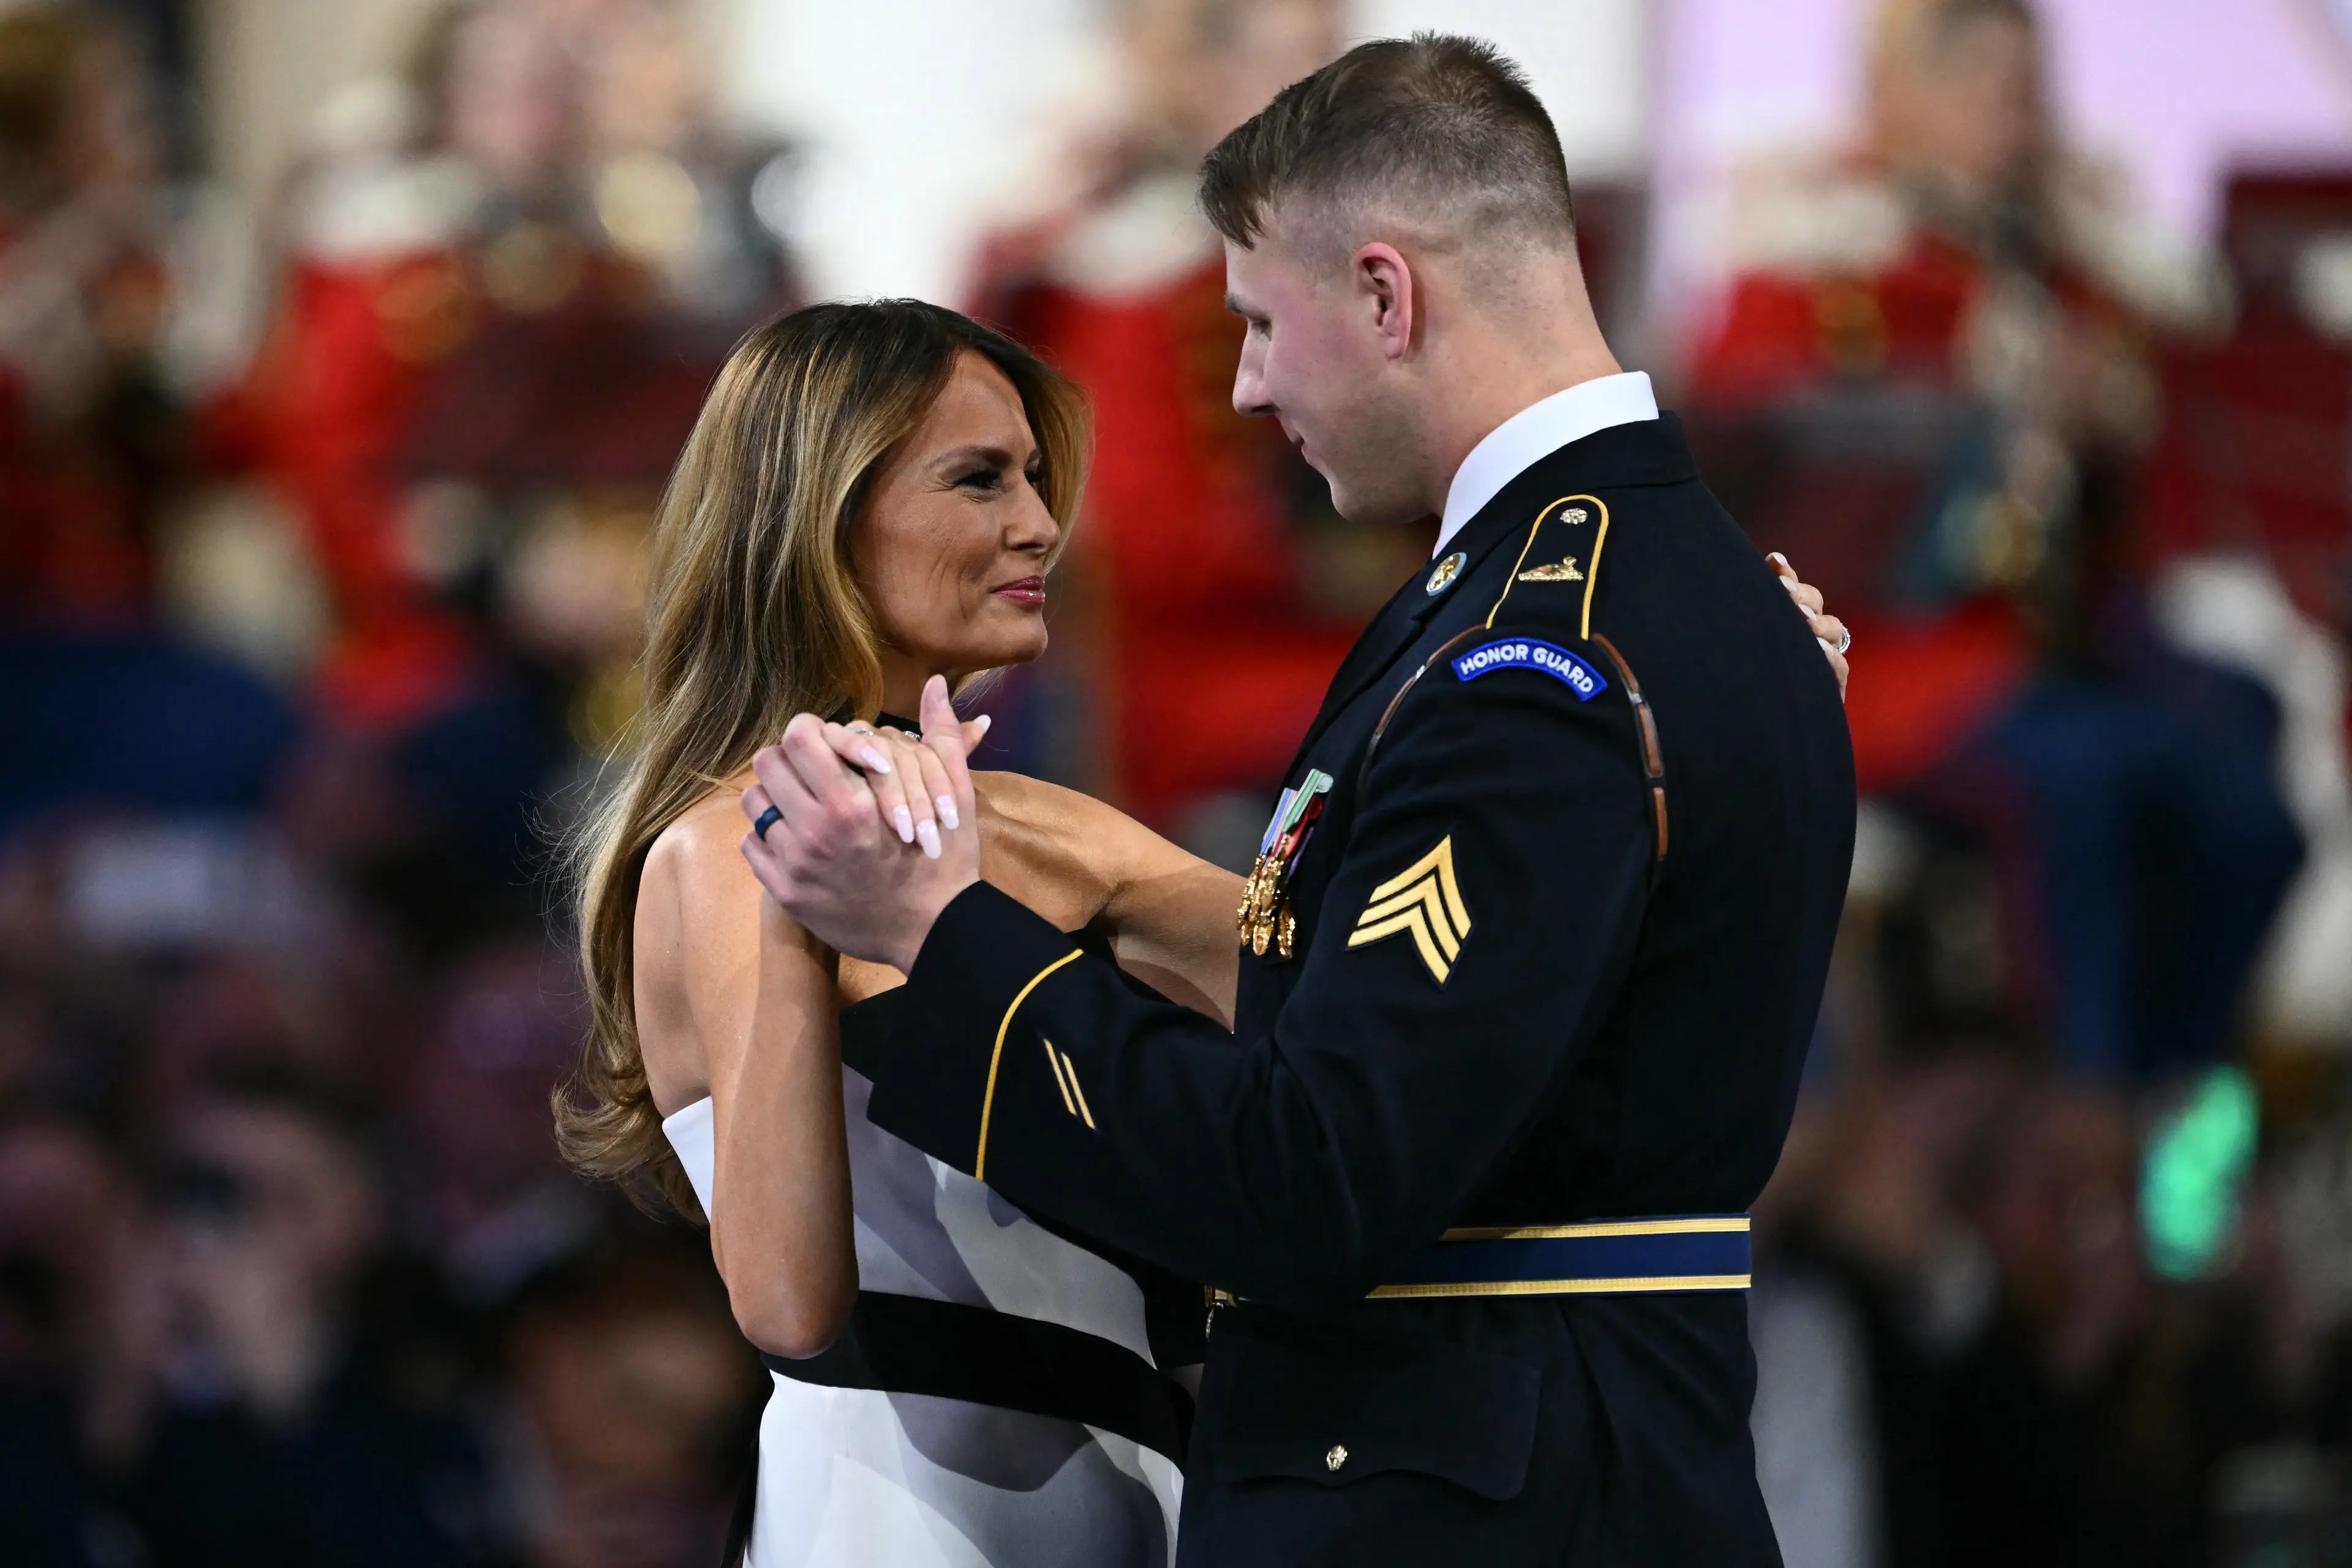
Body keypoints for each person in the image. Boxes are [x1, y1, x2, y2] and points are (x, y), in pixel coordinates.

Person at [739, 36, 1856, 1566]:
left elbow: (1313, 1174)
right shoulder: (1674, 594)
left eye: (1263, 320)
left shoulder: (1534, 661)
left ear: (1388, 295)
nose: (1252, 383)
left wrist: (942, 932)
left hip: (1464, 1504)